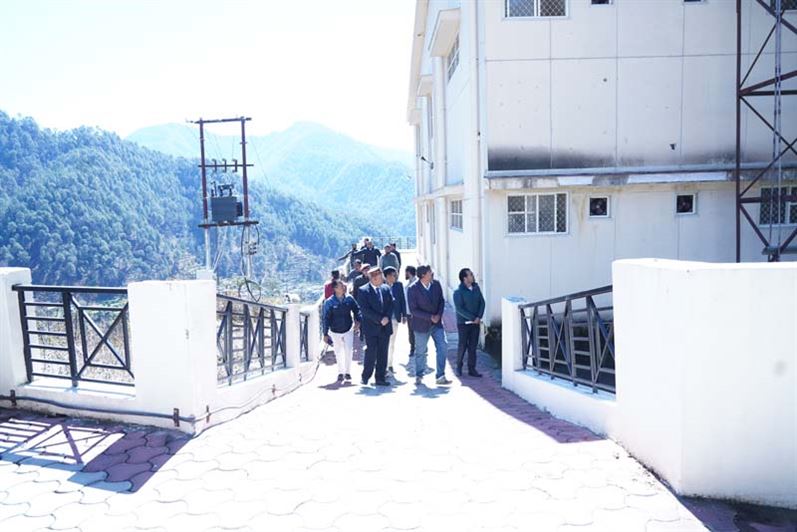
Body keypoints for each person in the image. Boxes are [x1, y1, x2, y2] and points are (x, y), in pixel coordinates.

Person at [407, 265, 451, 386]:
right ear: (423, 275)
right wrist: (430, 316)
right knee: (421, 351)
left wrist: (438, 315)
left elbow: (441, 301)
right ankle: (419, 375)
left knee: (442, 346)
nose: (432, 274)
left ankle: (440, 376)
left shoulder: (436, 284)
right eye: (430, 272)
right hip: (421, 325)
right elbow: (413, 310)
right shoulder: (413, 289)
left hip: (437, 324)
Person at [357, 268, 394, 386]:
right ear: (371, 278)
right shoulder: (363, 291)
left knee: (383, 353)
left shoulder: (386, 288)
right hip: (371, 328)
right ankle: (365, 376)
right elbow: (365, 310)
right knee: (371, 353)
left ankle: (380, 378)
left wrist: (387, 317)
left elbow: (391, 303)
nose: (379, 279)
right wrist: (380, 319)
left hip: (385, 327)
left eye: (380, 276)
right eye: (376, 277)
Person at [323, 279, 362, 382]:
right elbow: (326, 318)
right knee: (338, 351)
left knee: (349, 350)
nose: (344, 288)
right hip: (335, 331)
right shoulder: (329, 302)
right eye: (341, 286)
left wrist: (358, 321)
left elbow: (357, 310)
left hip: (348, 328)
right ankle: (341, 372)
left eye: (344, 286)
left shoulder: (349, 299)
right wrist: (325, 333)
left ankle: (348, 372)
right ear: (335, 289)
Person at [452, 268, 485, 378]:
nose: (473, 276)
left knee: (473, 347)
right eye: (470, 275)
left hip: (475, 323)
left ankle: (472, 369)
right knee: (462, 345)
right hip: (463, 324)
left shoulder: (476, 288)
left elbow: (482, 302)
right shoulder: (458, 292)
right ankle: (459, 367)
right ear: (464, 278)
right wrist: (472, 318)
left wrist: (479, 317)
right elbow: (459, 309)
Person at [383, 267, 406, 375]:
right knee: (384, 343)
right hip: (383, 320)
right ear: (387, 276)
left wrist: (404, 314)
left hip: (394, 318)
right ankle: (383, 364)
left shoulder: (398, 285)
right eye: (393, 275)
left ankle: (389, 364)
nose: (395, 276)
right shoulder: (381, 286)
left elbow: (402, 299)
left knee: (392, 343)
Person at [404, 265, 417, 358]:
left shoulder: (417, 283)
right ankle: (412, 348)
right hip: (409, 313)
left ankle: (418, 348)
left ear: (408, 272)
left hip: (416, 313)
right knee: (411, 332)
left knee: (418, 331)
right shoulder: (407, 284)